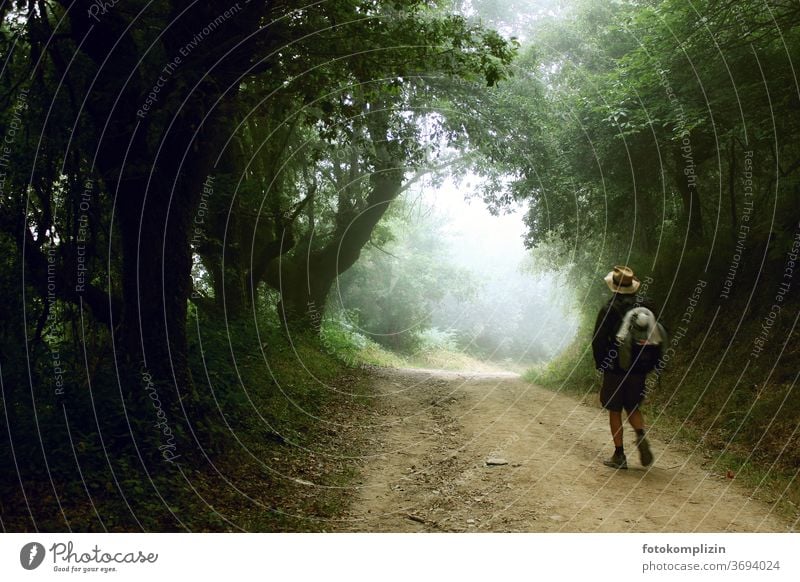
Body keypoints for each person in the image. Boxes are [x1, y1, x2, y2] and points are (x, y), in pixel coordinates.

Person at [592, 265, 654, 469]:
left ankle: (619, 455)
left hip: (616, 367)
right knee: (633, 406)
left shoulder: (609, 308)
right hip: (639, 366)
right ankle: (640, 434)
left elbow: (599, 340)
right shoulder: (645, 307)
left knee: (615, 409)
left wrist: (602, 364)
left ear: (614, 286)